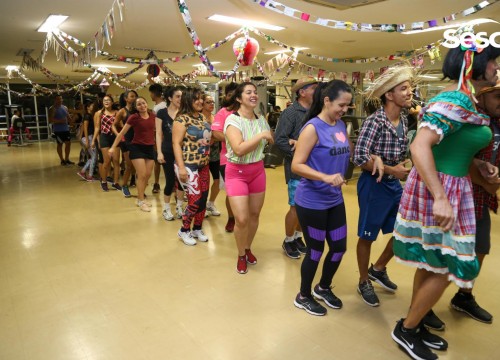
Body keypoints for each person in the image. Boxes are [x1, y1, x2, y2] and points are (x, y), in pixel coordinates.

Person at [391, 44, 499, 360]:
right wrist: (440, 197)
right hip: (441, 189)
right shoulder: (454, 100)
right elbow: (420, 146)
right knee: (446, 265)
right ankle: (406, 330)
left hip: (454, 185)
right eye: (493, 61)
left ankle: (415, 319)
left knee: (432, 261)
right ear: (475, 64)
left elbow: (450, 148)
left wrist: (479, 165)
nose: (496, 68)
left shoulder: (467, 102)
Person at [352, 65, 414, 307]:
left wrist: (403, 163)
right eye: (404, 88)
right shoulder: (375, 121)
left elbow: (398, 153)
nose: (410, 92)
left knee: (403, 231)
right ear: (389, 94)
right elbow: (358, 156)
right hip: (373, 185)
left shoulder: (405, 119)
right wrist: (391, 169)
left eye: (410, 87)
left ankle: (378, 268)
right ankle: (363, 280)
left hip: (393, 186)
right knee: (367, 235)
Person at [291, 80, 352, 315]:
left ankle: (323, 287)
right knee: (315, 251)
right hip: (312, 202)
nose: (344, 110)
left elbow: (345, 152)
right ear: (326, 101)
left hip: (334, 200)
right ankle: (303, 295)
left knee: (338, 248)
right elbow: (297, 165)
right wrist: (324, 177)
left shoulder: (339, 124)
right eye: (341, 105)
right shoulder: (312, 128)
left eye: (347, 106)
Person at [224, 82, 273, 274]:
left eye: (255, 92)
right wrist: (262, 135)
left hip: (258, 170)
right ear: (238, 98)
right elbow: (239, 149)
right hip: (237, 173)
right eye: (248, 92)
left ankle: (247, 248)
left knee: (254, 215)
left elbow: (270, 139)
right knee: (242, 219)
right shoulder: (232, 121)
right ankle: (240, 255)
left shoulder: (261, 119)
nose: (253, 95)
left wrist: (267, 135)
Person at [275, 76, 318, 259]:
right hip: (296, 170)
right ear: (302, 92)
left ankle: (299, 237)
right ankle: (288, 240)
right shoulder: (290, 113)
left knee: (306, 208)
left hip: (314, 168)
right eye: (314, 89)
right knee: (295, 207)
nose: (317, 92)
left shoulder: (316, 112)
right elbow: (280, 140)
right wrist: (299, 153)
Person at [172, 87, 211, 245]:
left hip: (204, 164)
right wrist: (181, 168)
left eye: (201, 98)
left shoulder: (202, 117)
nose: (200, 101)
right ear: (188, 100)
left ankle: (197, 228)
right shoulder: (181, 119)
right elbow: (176, 143)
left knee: (202, 200)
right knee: (194, 200)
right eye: (196, 98)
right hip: (188, 165)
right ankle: (184, 230)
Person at [109, 97, 157, 212]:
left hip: (150, 148)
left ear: (146, 104)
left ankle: (141, 196)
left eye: (143, 103)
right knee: (142, 174)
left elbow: (158, 132)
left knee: (147, 175)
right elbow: (121, 133)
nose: (142, 106)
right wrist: (112, 147)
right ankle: (141, 200)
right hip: (137, 148)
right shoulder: (134, 117)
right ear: (135, 107)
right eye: (139, 104)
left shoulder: (153, 116)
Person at [211, 82, 238, 232]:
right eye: (229, 95)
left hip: (247, 160)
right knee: (232, 192)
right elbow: (215, 133)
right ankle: (232, 217)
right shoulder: (222, 112)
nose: (232, 98)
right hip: (227, 159)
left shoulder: (246, 112)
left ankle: (242, 217)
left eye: (235, 95)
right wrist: (234, 140)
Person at [156, 86, 185, 221]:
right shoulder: (161, 113)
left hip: (182, 151)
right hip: (167, 151)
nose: (180, 99)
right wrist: (159, 153)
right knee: (170, 181)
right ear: (170, 98)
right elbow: (158, 134)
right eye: (177, 96)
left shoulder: (184, 112)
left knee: (182, 180)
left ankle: (179, 207)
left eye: (181, 96)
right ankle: (166, 208)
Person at [92, 95, 121, 192]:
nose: (106, 101)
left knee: (116, 161)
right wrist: (93, 140)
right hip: (104, 137)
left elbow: (121, 125)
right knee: (106, 161)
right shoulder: (99, 113)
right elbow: (97, 127)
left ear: (112, 102)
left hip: (115, 138)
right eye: (104, 100)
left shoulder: (117, 113)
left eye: (108, 100)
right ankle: (103, 181)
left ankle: (115, 182)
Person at [114, 90, 138, 198]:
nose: (134, 98)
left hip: (138, 141)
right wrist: (120, 135)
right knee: (129, 165)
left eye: (135, 96)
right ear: (126, 99)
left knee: (137, 166)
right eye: (132, 96)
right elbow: (113, 125)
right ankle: (124, 185)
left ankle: (138, 187)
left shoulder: (138, 110)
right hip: (126, 141)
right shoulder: (122, 111)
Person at [202, 93, 222, 217]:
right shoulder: (199, 119)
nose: (211, 104)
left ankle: (211, 203)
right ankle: (201, 206)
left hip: (215, 154)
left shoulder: (216, 118)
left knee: (218, 181)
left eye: (212, 102)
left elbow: (220, 134)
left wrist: (215, 137)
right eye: (208, 102)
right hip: (202, 155)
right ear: (202, 104)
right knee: (203, 182)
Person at [150, 83, 166, 194]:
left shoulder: (161, 106)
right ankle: (156, 183)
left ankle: (158, 183)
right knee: (157, 162)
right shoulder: (157, 106)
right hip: (158, 137)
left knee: (161, 162)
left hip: (161, 138)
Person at [49, 95, 74, 165]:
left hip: (66, 129)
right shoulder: (53, 108)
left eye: (60, 99)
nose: (59, 100)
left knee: (68, 143)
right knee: (60, 144)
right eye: (58, 99)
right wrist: (60, 121)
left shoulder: (64, 107)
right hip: (58, 130)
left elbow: (68, 116)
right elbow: (50, 120)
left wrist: (71, 122)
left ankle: (67, 159)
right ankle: (62, 160)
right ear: (55, 100)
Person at [77, 100, 98, 181]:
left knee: (93, 156)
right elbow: (85, 128)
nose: (93, 107)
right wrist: (87, 141)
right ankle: (90, 176)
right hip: (88, 137)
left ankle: (83, 172)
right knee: (94, 156)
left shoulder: (91, 115)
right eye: (92, 105)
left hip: (90, 137)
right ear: (88, 107)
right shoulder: (87, 116)